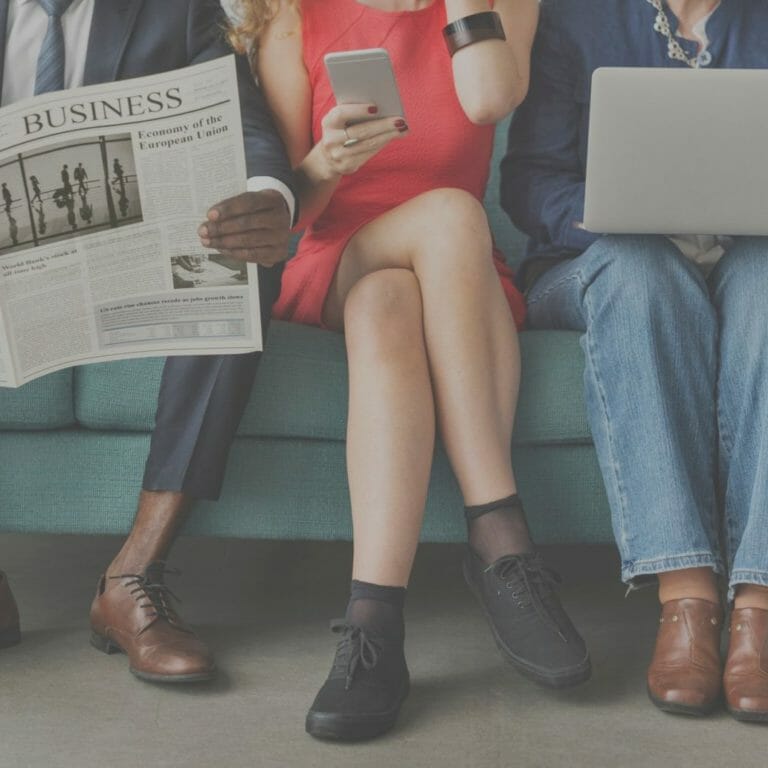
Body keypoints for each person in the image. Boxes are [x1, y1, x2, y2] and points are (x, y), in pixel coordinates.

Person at [229, 0, 589, 741]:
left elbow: (489, 98)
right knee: (454, 211)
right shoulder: (292, 15)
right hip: (338, 252)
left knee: (389, 303)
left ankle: (373, 622)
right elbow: (289, 210)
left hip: (453, 277)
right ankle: (501, 540)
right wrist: (326, 160)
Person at [0, 0, 295, 684]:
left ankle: (131, 578)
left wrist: (270, 198)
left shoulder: (178, 11)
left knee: (239, 260)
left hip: (124, 263)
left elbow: (245, 126)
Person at [503, 0, 768, 723]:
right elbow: (527, 180)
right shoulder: (578, 20)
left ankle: (759, 606)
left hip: (748, 259)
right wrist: (609, 211)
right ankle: (686, 597)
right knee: (641, 267)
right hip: (601, 261)